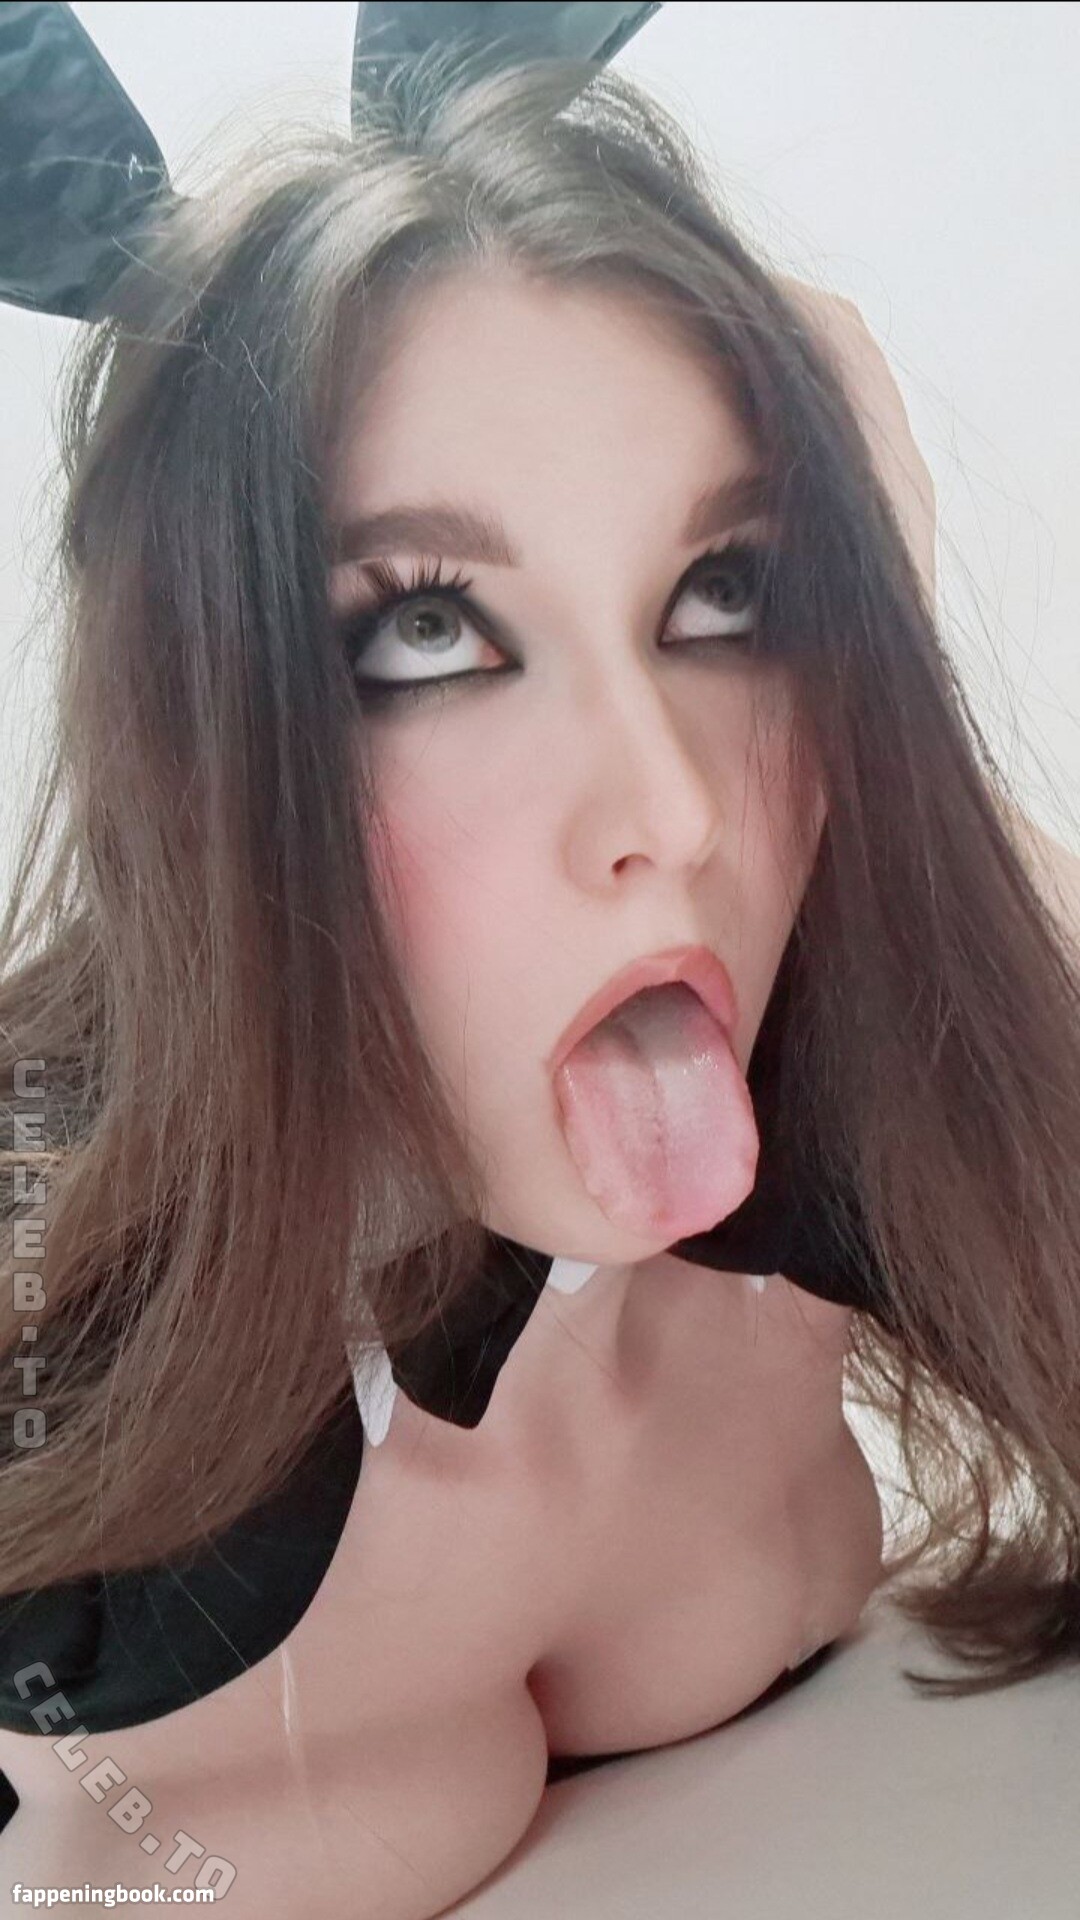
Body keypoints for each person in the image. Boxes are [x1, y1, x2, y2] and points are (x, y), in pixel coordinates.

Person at [2, 36, 1079, 1916]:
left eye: (727, 592)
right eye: (430, 628)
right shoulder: (47, 1328)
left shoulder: (835, 1165)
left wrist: (885, 652)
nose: (670, 807)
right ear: (194, 731)